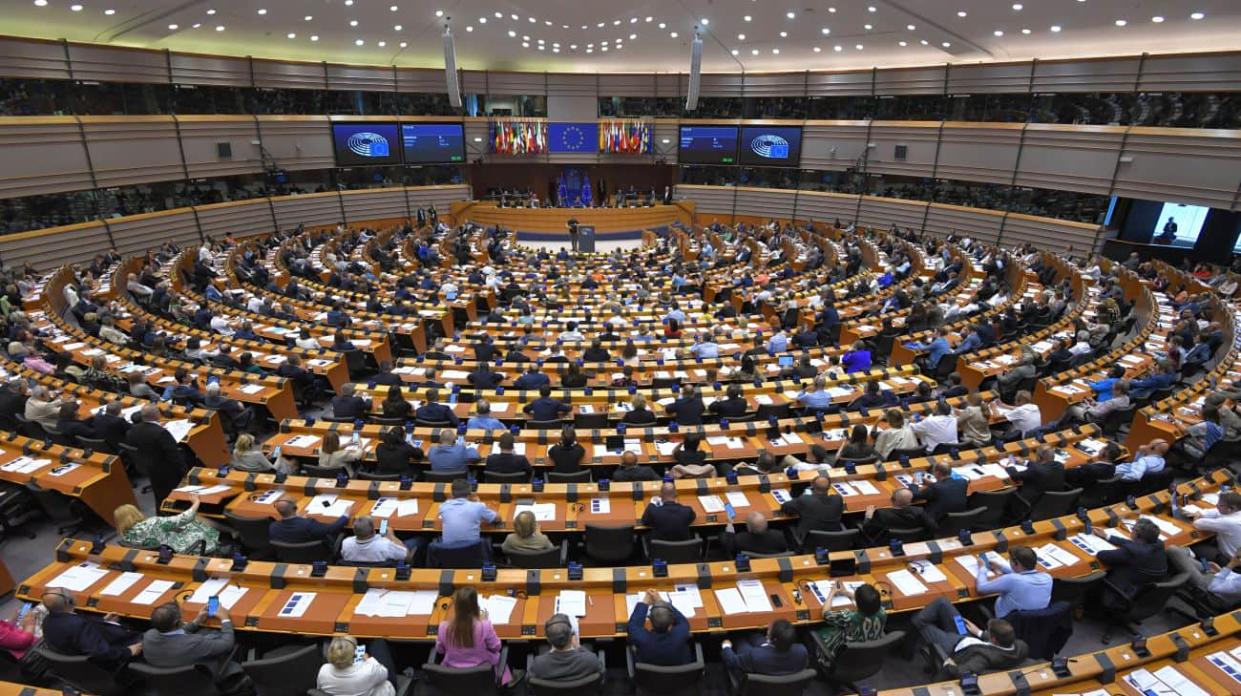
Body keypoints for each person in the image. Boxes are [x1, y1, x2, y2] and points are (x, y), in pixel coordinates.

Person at [911, 598, 1027, 677]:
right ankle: (907, 639)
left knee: (918, 621)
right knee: (943, 603)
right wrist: (980, 633)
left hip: (954, 645)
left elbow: (961, 672)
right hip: (967, 635)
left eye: (988, 631)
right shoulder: (1021, 646)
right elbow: (999, 640)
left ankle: (905, 645)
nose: (987, 631)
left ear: (994, 639)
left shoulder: (982, 658)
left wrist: (948, 664)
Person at [41, 589, 143, 671]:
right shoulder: (77, 624)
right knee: (146, 634)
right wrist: (128, 651)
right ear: (69, 601)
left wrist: (103, 621)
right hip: (108, 663)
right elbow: (101, 653)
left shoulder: (47, 621)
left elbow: (78, 635)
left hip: (76, 662)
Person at [143, 601, 243, 681]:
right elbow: (227, 644)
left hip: (168, 680)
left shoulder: (148, 636)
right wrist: (225, 618)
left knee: (206, 633)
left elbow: (174, 632)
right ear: (178, 622)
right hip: (200, 679)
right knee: (216, 635)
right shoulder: (194, 644)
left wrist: (196, 622)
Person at [434, 587, 516, 686]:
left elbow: (440, 650)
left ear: (456, 607)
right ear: (475, 606)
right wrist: (484, 620)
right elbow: (496, 647)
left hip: (453, 677)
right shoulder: (484, 625)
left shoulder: (444, 627)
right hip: (483, 674)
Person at [813, 583, 886, 673]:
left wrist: (831, 593)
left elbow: (825, 614)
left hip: (840, 658)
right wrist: (846, 592)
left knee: (816, 631)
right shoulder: (882, 612)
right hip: (866, 656)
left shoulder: (850, 617)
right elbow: (870, 603)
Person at [1094, 517, 1168, 606]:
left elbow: (1102, 555)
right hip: (1143, 586)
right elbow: (1131, 544)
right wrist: (1107, 536)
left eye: (1133, 529)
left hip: (1123, 588)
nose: (1131, 531)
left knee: (1095, 578)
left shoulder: (1132, 552)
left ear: (1137, 535)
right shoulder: (1158, 543)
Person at [114, 494, 221, 555]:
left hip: (159, 554)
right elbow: (185, 518)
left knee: (181, 526)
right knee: (197, 520)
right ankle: (225, 538)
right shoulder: (153, 523)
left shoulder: (125, 536)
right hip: (179, 550)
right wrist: (196, 502)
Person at [126, 404, 187, 509]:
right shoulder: (161, 433)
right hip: (166, 470)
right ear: (157, 415)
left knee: (160, 495)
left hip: (147, 466)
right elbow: (173, 455)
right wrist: (185, 471)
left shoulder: (132, 430)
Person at [975, 546, 1052, 618]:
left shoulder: (1012, 579)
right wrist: (1001, 567)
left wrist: (982, 569)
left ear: (1016, 564)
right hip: (1033, 622)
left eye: (1010, 560)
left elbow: (981, 588)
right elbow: (1023, 574)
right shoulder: (1047, 577)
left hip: (1006, 623)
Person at [529, 613, 604, 683]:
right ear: (571, 637)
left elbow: (529, 684)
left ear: (548, 639)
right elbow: (602, 675)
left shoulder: (538, 664)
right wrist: (579, 647)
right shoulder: (590, 660)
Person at [627, 589, 693, 666]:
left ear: (651, 622)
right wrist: (661, 601)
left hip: (649, 676)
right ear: (671, 623)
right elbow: (682, 620)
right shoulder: (681, 633)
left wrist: (645, 602)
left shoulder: (642, 638)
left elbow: (633, 625)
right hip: (680, 674)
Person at [721, 619, 809, 677]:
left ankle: (737, 636)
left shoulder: (755, 656)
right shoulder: (801, 651)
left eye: (769, 631)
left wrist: (726, 646)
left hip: (757, 676)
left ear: (772, 639)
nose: (767, 630)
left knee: (740, 640)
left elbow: (732, 661)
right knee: (754, 636)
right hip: (787, 686)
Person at [317, 635, 397, 696]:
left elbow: (320, 689)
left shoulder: (323, 670)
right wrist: (369, 660)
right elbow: (385, 673)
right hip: (384, 690)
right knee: (378, 641)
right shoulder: (368, 671)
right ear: (354, 654)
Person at [1166, 545, 1241, 610]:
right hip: (1216, 577)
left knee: (1173, 550)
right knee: (1204, 561)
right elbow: (1234, 577)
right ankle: (1188, 552)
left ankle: (1188, 552)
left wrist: (1231, 564)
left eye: (1237, 557)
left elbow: (1213, 587)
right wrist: (1221, 570)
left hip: (1210, 592)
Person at [780, 475, 844, 543]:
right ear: (829, 487)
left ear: (812, 486)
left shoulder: (805, 499)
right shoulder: (838, 499)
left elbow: (785, 507)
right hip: (833, 539)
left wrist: (801, 498)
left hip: (809, 541)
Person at [438, 478, 500, 548]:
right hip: (472, 553)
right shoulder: (478, 506)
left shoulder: (443, 507)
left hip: (449, 554)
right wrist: (477, 503)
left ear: (452, 493)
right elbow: (497, 518)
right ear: (470, 493)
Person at [1181, 491, 1241, 559]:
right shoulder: (1235, 512)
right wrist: (1201, 513)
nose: (1217, 506)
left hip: (1232, 561)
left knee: (1194, 546)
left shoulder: (1229, 522)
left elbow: (1198, 523)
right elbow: (1216, 511)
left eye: (1220, 505)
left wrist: (1196, 516)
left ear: (1232, 508)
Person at [862, 488, 936, 541]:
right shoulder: (919, 511)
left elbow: (867, 529)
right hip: (911, 541)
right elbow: (933, 527)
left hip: (886, 543)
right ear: (910, 501)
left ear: (892, 499)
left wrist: (868, 516)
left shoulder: (881, 513)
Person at [269, 497, 347, 546]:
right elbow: (333, 528)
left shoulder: (273, 526)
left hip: (290, 556)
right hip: (317, 554)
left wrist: (299, 519)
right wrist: (346, 515)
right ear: (295, 508)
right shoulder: (308, 524)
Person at [341, 515, 417, 565]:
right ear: (373, 531)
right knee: (417, 541)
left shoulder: (346, 543)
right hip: (385, 572)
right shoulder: (385, 545)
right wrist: (392, 537)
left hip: (359, 571)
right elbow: (407, 556)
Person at [1007, 445, 1066, 509]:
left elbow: (1015, 476)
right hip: (1051, 503)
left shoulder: (1035, 471)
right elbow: (1040, 467)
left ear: (1039, 457)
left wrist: (1011, 465)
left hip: (1030, 503)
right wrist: (1025, 462)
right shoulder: (1059, 465)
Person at [722, 511, 788, 556]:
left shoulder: (740, 539)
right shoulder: (779, 536)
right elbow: (783, 549)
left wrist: (729, 529)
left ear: (749, 528)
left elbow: (728, 544)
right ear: (767, 524)